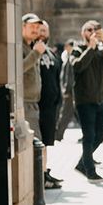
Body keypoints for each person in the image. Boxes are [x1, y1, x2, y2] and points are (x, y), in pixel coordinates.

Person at [70, 19, 103, 182]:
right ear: (82, 33)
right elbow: (77, 67)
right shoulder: (77, 49)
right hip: (84, 101)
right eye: (88, 30)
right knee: (89, 135)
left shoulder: (100, 50)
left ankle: (82, 163)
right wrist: (90, 48)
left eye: (95, 30)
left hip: (99, 99)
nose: (92, 32)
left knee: (101, 134)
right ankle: (90, 171)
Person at [37, 20, 63, 189]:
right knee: (40, 143)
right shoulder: (33, 52)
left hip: (50, 106)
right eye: (39, 30)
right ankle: (40, 175)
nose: (42, 34)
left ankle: (44, 172)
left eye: (45, 31)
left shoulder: (50, 53)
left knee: (46, 142)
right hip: (39, 104)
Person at [21, 13, 45, 145]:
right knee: (35, 143)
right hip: (25, 103)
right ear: (22, 27)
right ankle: (37, 166)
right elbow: (18, 70)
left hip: (33, 103)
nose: (35, 29)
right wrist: (36, 53)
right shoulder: (18, 46)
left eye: (37, 27)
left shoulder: (31, 46)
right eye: (32, 26)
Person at [55, 39, 77, 142]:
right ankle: (58, 134)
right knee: (69, 114)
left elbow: (69, 76)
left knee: (65, 114)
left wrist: (67, 90)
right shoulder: (66, 57)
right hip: (68, 91)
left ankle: (58, 135)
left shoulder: (72, 58)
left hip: (70, 92)